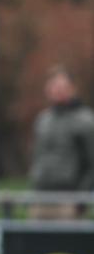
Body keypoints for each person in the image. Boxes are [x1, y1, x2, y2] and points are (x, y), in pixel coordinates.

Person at [28, 66, 94, 220]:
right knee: (35, 243)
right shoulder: (43, 119)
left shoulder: (85, 120)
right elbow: (37, 157)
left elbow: (92, 165)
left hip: (68, 200)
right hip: (40, 198)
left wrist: (81, 200)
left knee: (66, 244)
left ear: (72, 88)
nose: (56, 90)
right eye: (53, 86)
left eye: (61, 86)